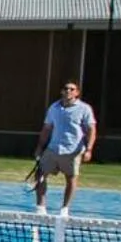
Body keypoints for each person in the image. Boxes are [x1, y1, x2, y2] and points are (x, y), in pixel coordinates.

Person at [34, 80, 98, 212]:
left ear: (77, 93)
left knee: (71, 178)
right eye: (66, 88)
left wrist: (89, 149)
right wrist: (40, 147)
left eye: (72, 89)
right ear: (62, 91)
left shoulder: (84, 109)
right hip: (53, 149)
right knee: (39, 174)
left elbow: (92, 129)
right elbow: (47, 128)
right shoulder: (54, 107)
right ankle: (41, 207)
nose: (68, 91)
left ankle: (65, 209)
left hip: (73, 151)